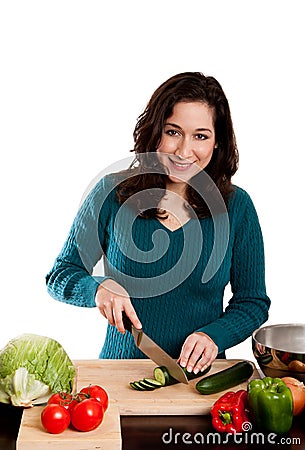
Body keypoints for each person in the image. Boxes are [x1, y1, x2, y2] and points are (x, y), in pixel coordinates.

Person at [46, 72, 270, 375]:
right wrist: (97, 288)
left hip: (201, 382)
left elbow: (252, 301)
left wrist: (214, 336)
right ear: (155, 132)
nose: (183, 151)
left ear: (218, 142)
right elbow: (61, 274)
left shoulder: (236, 206)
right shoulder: (111, 193)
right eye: (173, 132)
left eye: (201, 136)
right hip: (118, 375)